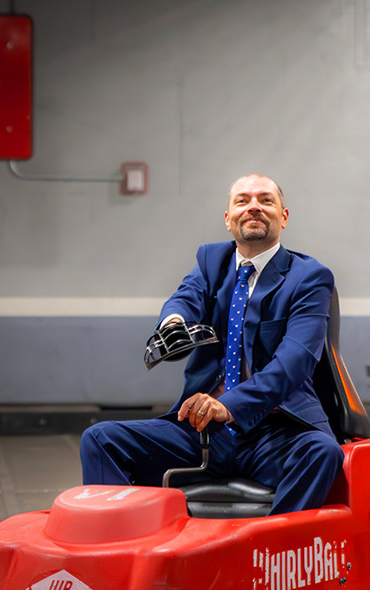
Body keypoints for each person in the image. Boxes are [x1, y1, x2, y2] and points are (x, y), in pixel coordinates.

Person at [80, 174, 344, 514]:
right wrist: (173, 321)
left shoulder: (309, 277)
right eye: (242, 200)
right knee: (101, 440)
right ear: (228, 218)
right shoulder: (211, 261)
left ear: (284, 216)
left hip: (274, 432)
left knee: (322, 453)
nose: (254, 207)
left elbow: (295, 362)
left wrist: (229, 404)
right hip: (205, 431)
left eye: (266, 200)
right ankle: (122, 551)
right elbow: (185, 298)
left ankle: (267, 557)